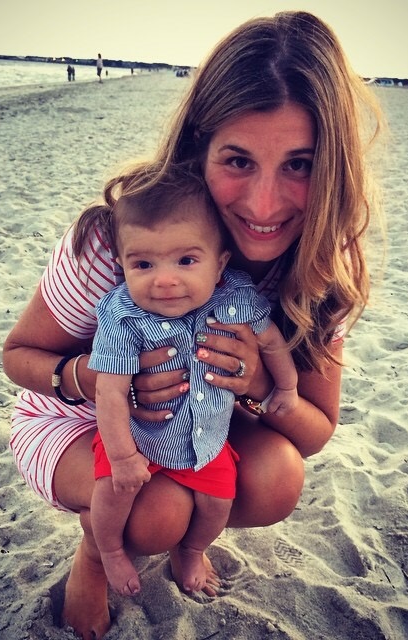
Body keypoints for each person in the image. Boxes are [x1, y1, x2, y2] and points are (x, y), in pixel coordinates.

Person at [2, 10, 384, 640]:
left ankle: (188, 544)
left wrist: (257, 382)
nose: (263, 204)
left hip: (202, 423)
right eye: (238, 160)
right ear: (198, 148)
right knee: (152, 513)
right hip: (77, 418)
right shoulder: (123, 240)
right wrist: (94, 378)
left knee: (276, 478)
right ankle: (95, 553)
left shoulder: (320, 269)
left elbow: (314, 431)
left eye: (299, 164)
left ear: (335, 167)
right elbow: (19, 355)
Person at [89, 171, 298, 597]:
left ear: (219, 264)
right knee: (112, 492)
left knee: (218, 502)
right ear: (122, 265)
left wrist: (287, 387)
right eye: (143, 264)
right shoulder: (124, 316)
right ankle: (106, 551)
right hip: (139, 438)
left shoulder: (236, 299)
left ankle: (191, 550)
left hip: (206, 440)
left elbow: (272, 342)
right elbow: (109, 392)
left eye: (186, 261)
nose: (164, 280)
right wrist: (123, 457)